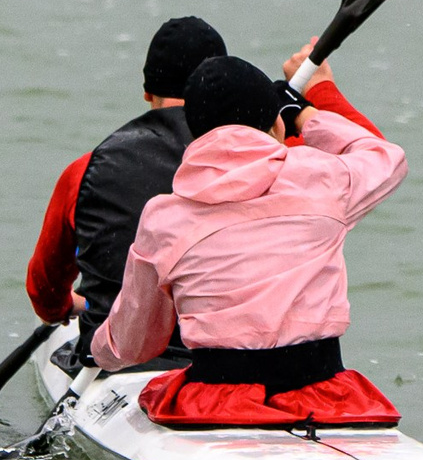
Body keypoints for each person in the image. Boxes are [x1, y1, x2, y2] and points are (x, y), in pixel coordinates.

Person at [26, 23, 382, 368]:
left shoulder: (87, 170)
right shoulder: (283, 160)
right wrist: (318, 93)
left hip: (133, 361)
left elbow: (44, 288)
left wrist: (63, 310)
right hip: (266, 363)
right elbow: (370, 155)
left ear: (148, 92)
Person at [90, 49, 407, 428]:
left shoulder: (164, 217)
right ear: (277, 126)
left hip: (214, 402)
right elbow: (384, 156)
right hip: (327, 396)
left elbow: (135, 344)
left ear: (196, 134)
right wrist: (305, 113)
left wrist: (101, 353)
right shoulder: (325, 178)